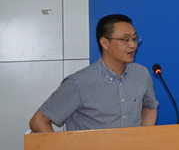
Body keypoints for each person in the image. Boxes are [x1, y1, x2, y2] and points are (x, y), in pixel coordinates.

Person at [29, 14, 159, 132]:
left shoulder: (141, 74)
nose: (133, 45)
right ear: (105, 43)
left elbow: (150, 106)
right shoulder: (78, 83)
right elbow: (38, 121)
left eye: (134, 39)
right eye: (125, 40)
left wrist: (144, 139)